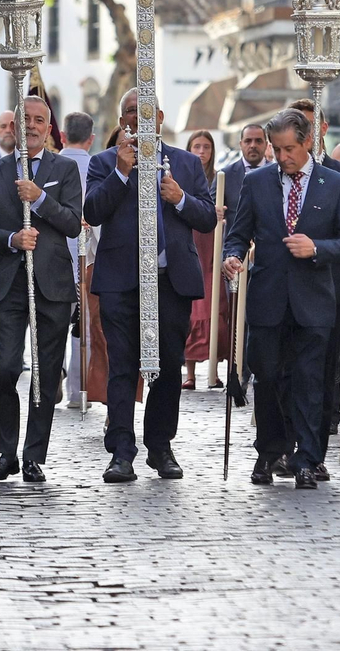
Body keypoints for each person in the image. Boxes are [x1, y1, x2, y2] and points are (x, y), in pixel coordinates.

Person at [223, 109, 340, 489]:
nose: (282, 156)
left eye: (289, 148)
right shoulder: (257, 182)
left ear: (306, 143)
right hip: (268, 296)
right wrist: (232, 255)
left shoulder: (335, 184)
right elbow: (238, 232)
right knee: (266, 375)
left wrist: (316, 247)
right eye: (277, 148)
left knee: (310, 381)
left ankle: (308, 459)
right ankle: (270, 450)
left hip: (315, 299)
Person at [85, 89, 216, 482]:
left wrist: (179, 199)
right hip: (121, 281)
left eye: (144, 112)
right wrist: (121, 173)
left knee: (169, 368)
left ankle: (160, 447)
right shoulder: (104, 162)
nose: (137, 119)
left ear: (158, 116)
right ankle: (121, 452)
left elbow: (208, 217)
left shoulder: (187, 163)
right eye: (129, 112)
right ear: (121, 118)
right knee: (122, 366)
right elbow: (92, 210)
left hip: (171, 279)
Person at [0, 96, 84, 481]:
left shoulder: (64, 169)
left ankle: (34, 454)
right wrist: (11, 239)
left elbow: (71, 222)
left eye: (39, 120)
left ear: (49, 127)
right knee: (4, 368)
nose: (31, 126)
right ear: (14, 126)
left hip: (51, 284)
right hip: (9, 284)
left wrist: (41, 198)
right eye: (25, 120)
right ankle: (5, 451)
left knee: (47, 373)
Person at [289, 98, 340, 470]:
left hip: (329, 287)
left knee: (322, 372)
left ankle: (314, 451)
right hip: (285, 290)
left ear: (320, 129)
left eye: (307, 126)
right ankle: (284, 446)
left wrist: (318, 248)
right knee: (286, 370)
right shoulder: (274, 175)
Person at [57, 111, 98, 406]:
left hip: (56, 256)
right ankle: (77, 390)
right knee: (82, 326)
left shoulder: (51, 164)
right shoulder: (98, 166)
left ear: (61, 136)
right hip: (89, 256)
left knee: (53, 324)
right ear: (91, 139)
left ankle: (51, 374)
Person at [182, 129, 227, 390]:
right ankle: (189, 372)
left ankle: (213, 367)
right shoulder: (180, 176)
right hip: (192, 244)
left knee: (215, 306)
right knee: (194, 308)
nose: (201, 152)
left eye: (206, 147)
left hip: (213, 247)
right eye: (196, 146)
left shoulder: (219, 179)